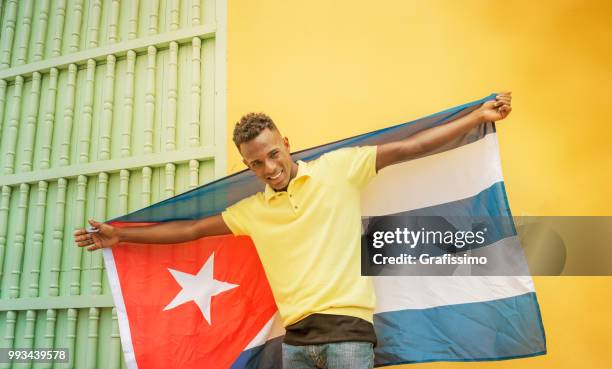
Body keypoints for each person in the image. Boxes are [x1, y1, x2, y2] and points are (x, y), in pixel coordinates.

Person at [74, 92, 512, 369]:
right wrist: (122, 235)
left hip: (348, 338)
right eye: (255, 163)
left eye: (271, 154)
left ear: (286, 144)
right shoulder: (252, 211)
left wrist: (476, 117)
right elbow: (190, 229)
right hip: (296, 345)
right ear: (247, 166)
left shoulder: (339, 169)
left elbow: (411, 147)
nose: (268, 168)